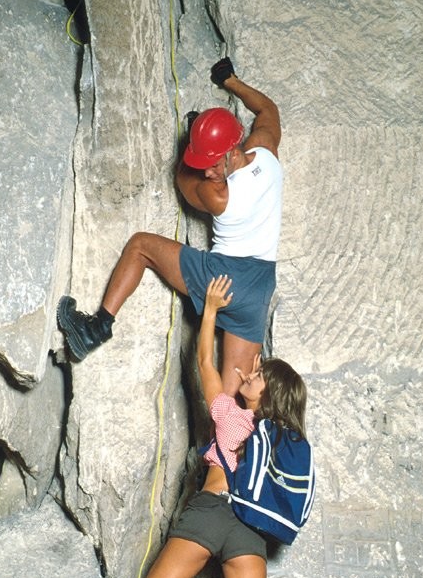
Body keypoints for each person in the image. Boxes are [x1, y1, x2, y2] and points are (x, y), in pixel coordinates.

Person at [52, 276, 308, 578]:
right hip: (250, 531)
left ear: (265, 392)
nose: (250, 373)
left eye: (257, 375)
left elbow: (205, 364)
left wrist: (210, 310)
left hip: (211, 515)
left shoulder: (234, 418)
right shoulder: (282, 442)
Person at [57, 57, 282, 396]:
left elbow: (182, 178)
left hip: (223, 276)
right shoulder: (266, 152)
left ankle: (96, 327)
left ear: (230, 153)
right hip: (260, 287)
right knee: (235, 394)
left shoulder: (219, 195)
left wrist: (187, 147)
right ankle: (236, 449)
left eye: (211, 164)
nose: (207, 172)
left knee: (140, 246)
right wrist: (231, 81)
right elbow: (267, 110)